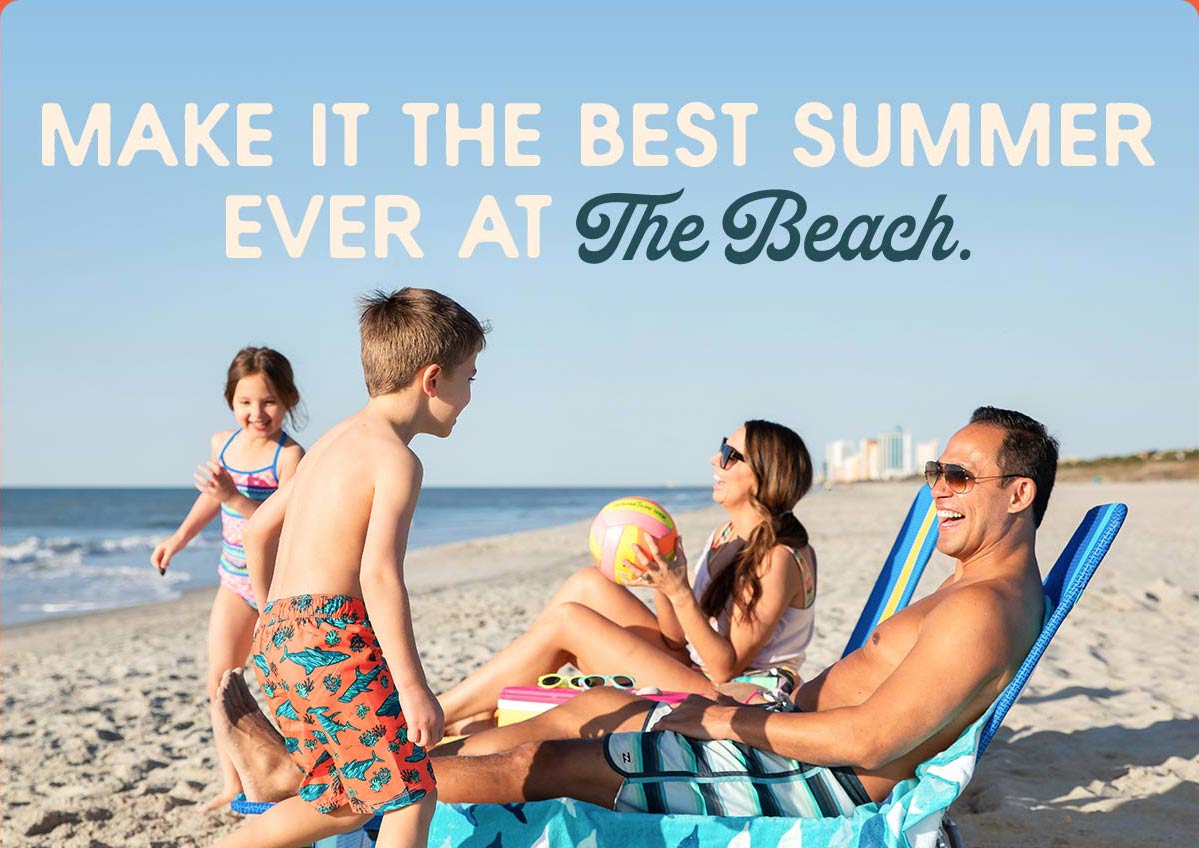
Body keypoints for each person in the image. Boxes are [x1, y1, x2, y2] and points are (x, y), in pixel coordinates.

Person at [211, 288, 487, 848]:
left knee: (347, 793)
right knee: (412, 791)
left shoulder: (334, 439)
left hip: (279, 637)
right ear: (432, 379)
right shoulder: (396, 460)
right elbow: (379, 576)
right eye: (470, 378)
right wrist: (413, 687)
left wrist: (272, 616)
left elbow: (260, 529)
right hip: (329, 634)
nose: (468, 396)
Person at [438, 420, 819, 736]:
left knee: (569, 622)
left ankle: (438, 714)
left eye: (729, 455)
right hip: (693, 669)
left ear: (765, 474)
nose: (714, 461)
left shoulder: (777, 558)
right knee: (588, 584)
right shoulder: (727, 534)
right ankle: (484, 704)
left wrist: (680, 590)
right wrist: (660, 584)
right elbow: (676, 639)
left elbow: (725, 667)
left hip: (729, 698)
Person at [151, 346, 305, 811]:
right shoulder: (224, 443)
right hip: (234, 583)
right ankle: (234, 783)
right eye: (246, 402)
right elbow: (211, 499)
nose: (257, 413)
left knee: (282, 685)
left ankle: (297, 770)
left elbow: (284, 525)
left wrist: (235, 497)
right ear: (230, 401)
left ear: (290, 400)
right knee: (220, 681)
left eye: (270, 401)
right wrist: (178, 539)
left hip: (277, 589)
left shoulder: (290, 457)